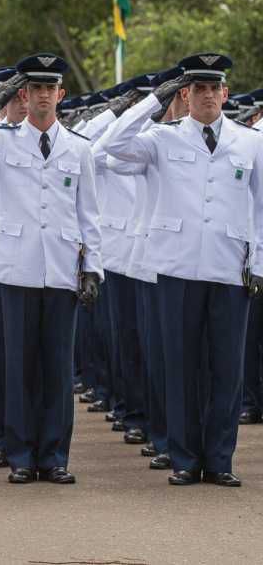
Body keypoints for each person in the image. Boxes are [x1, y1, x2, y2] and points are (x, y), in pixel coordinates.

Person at [99, 53, 263, 487]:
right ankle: (185, 458)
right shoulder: (162, 138)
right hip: (175, 266)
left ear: (225, 94)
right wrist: (154, 99)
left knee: (227, 369)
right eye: (198, 89)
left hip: (231, 268)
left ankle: (220, 460)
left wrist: (259, 261)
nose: (207, 96)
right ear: (184, 95)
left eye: (214, 88)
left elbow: (262, 206)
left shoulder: (250, 142)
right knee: (180, 365)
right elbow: (110, 146)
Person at [0, 53, 103, 485]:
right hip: (14, 268)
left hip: (61, 269)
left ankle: (55, 456)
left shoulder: (79, 148)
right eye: (34, 89)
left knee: (58, 369)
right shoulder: (1, 140)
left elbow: (87, 214)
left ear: (61, 94)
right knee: (18, 367)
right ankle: (20, 455)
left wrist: (92, 268)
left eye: (49, 89)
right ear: (24, 94)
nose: (42, 96)